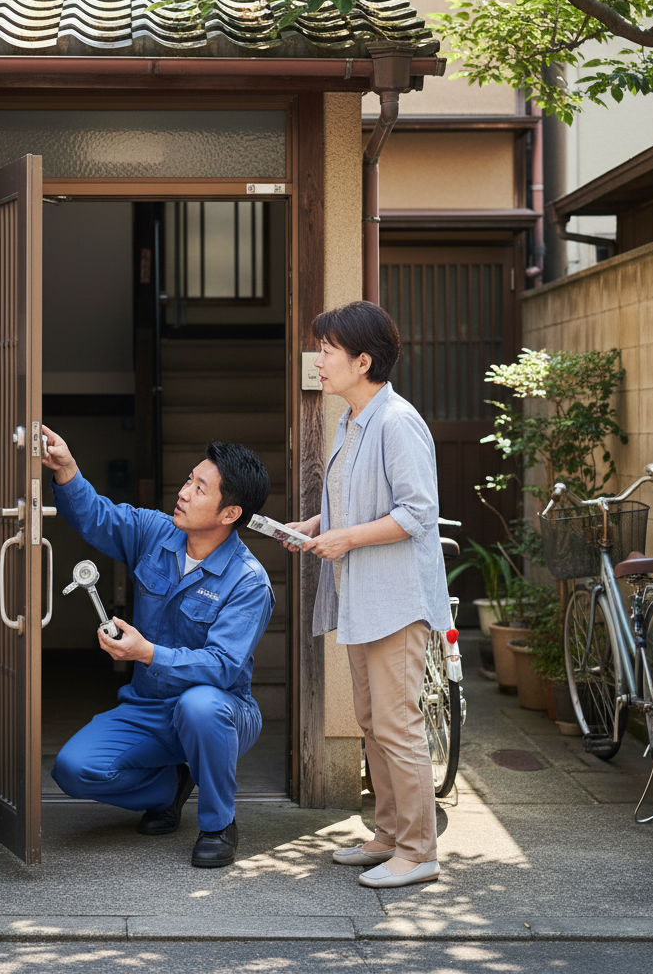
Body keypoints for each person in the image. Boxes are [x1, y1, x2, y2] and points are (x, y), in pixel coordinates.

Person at [41, 425, 274, 868]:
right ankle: (171, 786)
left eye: (200, 488)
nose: (184, 492)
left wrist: (147, 653)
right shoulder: (156, 532)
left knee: (200, 706)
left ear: (229, 513)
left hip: (222, 709)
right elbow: (100, 516)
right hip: (148, 706)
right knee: (72, 769)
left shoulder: (248, 581)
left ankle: (219, 824)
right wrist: (68, 469)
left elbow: (222, 666)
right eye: (189, 479)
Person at [285, 301, 452, 889]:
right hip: (361, 594)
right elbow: (353, 499)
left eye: (327, 351)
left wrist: (346, 537)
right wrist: (315, 525)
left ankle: (419, 848)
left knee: (398, 722)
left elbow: (418, 512)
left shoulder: (396, 421)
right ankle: (388, 833)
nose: (319, 360)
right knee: (370, 719)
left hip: (397, 599)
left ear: (363, 360)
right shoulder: (351, 419)